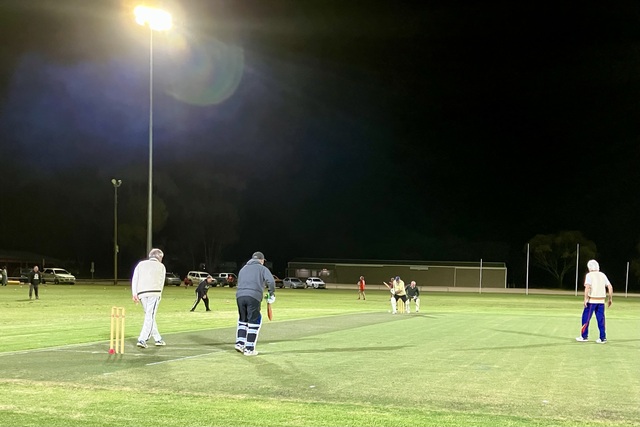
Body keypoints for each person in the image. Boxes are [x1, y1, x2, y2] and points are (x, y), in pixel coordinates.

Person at [234, 251, 275, 356]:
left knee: (243, 320)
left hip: (240, 296)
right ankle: (249, 349)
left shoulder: (243, 268)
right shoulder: (262, 269)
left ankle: (240, 343)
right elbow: (271, 281)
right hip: (253, 296)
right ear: (261, 260)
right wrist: (271, 294)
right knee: (255, 321)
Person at [131, 248, 167, 349]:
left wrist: (134, 293)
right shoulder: (161, 266)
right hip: (154, 293)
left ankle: (158, 338)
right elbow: (161, 282)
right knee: (150, 315)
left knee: (149, 315)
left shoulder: (141, 264)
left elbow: (135, 278)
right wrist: (159, 295)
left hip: (141, 293)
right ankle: (143, 339)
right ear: (159, 257)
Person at [576, 259, 613, 343]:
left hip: (591, 301)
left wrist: (585, 299)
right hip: (601, 301)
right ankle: (602, 338)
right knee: (601, 320)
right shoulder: (603, 275)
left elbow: (587, 287)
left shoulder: (589, 275)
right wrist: (610, 299)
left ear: (589, 267)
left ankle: (584, 336)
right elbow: (610, 287)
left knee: (585, 318)